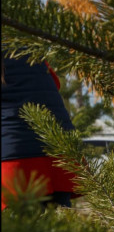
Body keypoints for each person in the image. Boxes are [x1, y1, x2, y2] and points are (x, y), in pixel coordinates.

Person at [2, 55, 77, 210]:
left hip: (16, 158)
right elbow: (55, 84)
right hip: (60, 153)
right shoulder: (29, 49)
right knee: (58, 228)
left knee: (18, 230)